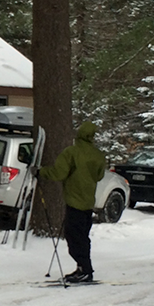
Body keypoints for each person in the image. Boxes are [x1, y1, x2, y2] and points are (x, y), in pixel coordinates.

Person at [37, 121, 106, 283]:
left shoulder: (71, 153)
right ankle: (84, 268)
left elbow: (59, 173)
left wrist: (41, 172)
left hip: (74, 201)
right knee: (83, 236)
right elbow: (99, 176)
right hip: (88, 201)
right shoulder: (97, 155)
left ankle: (84, 270)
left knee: (74, 237)